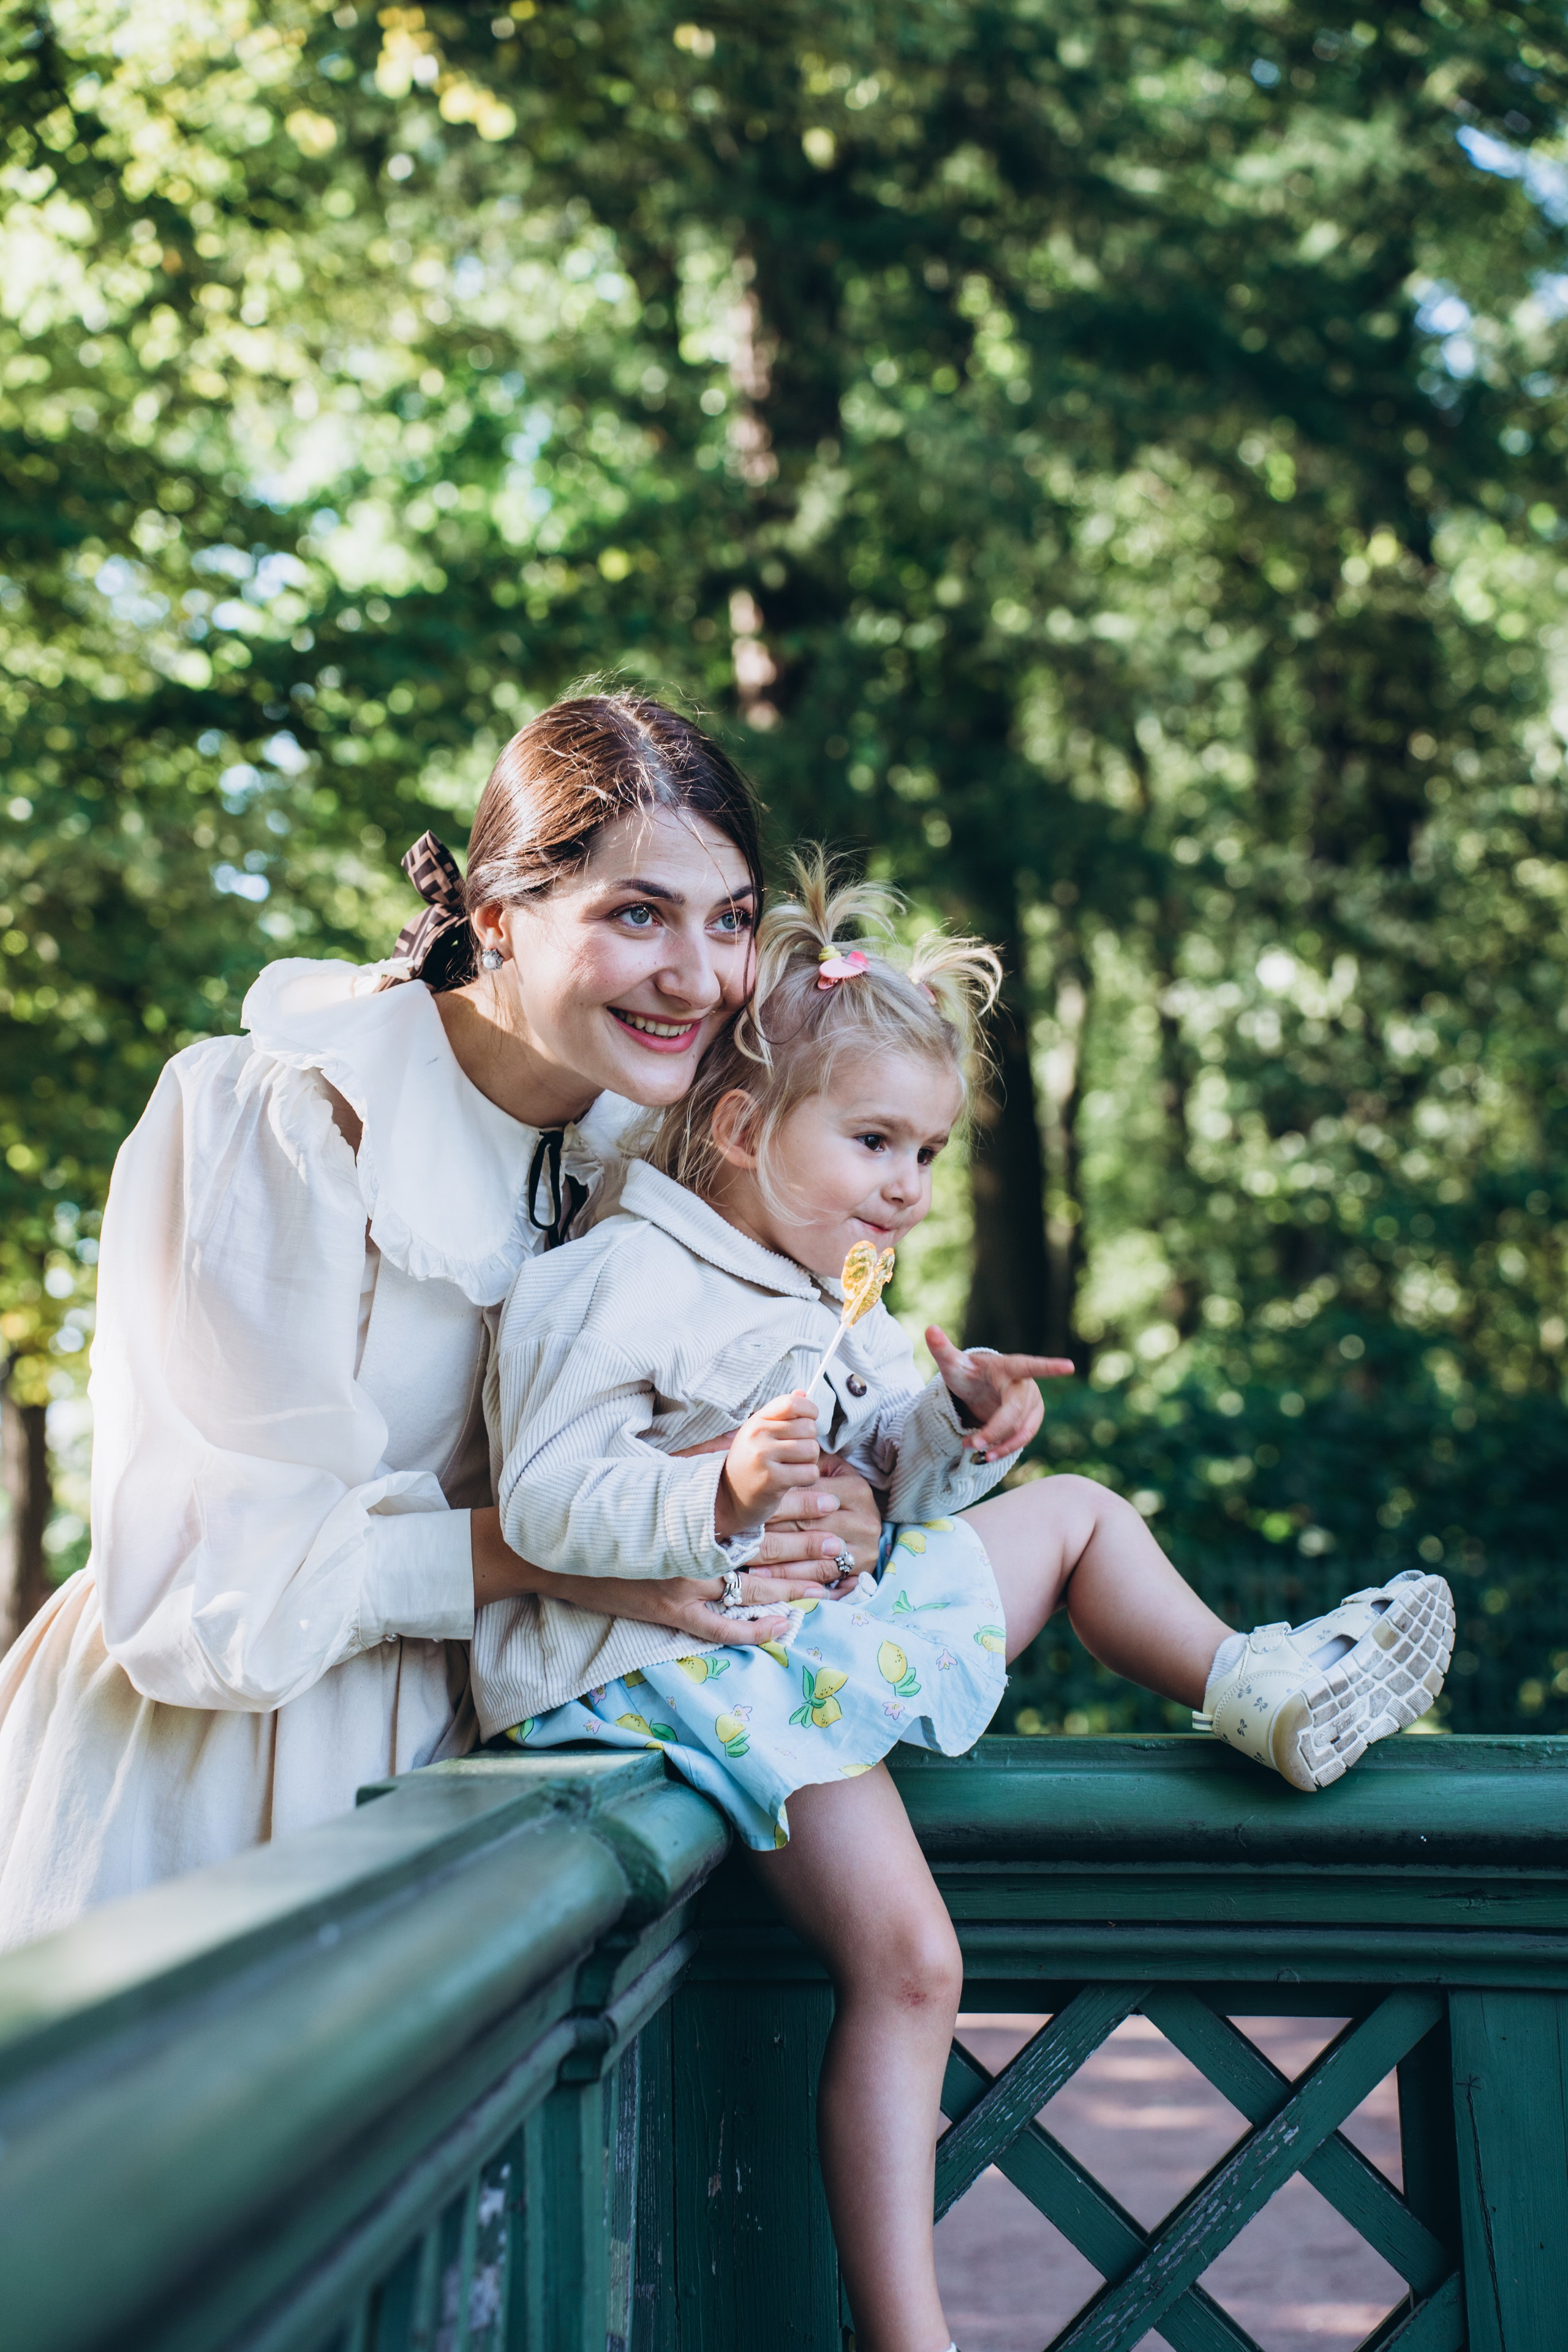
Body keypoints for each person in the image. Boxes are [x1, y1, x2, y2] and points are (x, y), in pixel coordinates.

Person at [477, 857, 1457, 2352]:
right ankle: (907, 2337)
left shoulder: (833, 1299)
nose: (907, 1188)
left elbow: (892, 1498)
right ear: (740, 1130)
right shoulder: (618, 1279)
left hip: (809, 1625)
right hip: (691, 1658)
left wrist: (960, 1431)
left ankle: (1260, 1691)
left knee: (1073, 1518)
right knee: (913, 1962)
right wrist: (721, 1486)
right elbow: (543, 1498)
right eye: (874, 1141)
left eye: (926, 1153)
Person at [0, 696, 879, 1950]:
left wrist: (830, 1507)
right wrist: (558, 1555)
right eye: (637, 913)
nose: (699, 976)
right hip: (217, 1785)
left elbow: (723, 1447)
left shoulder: (666, 1151)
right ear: (495, 921)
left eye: (729, 917)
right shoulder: (282, 1117)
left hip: (509, 1776)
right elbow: (212, 1599)